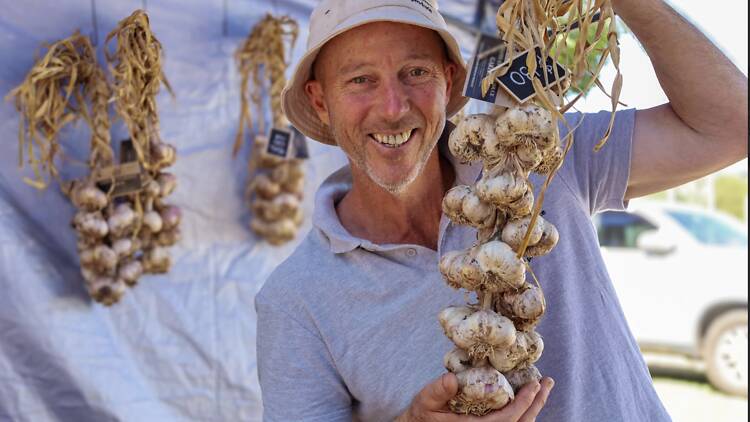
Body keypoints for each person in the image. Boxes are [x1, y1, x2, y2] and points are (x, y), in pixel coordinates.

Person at [255, 0, 748, 420]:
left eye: (416, 72)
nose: (392, 106)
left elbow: (731, 125)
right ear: (320, 102)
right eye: (360, 80)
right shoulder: (295, 299)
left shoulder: (541, 156)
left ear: (449, 81)